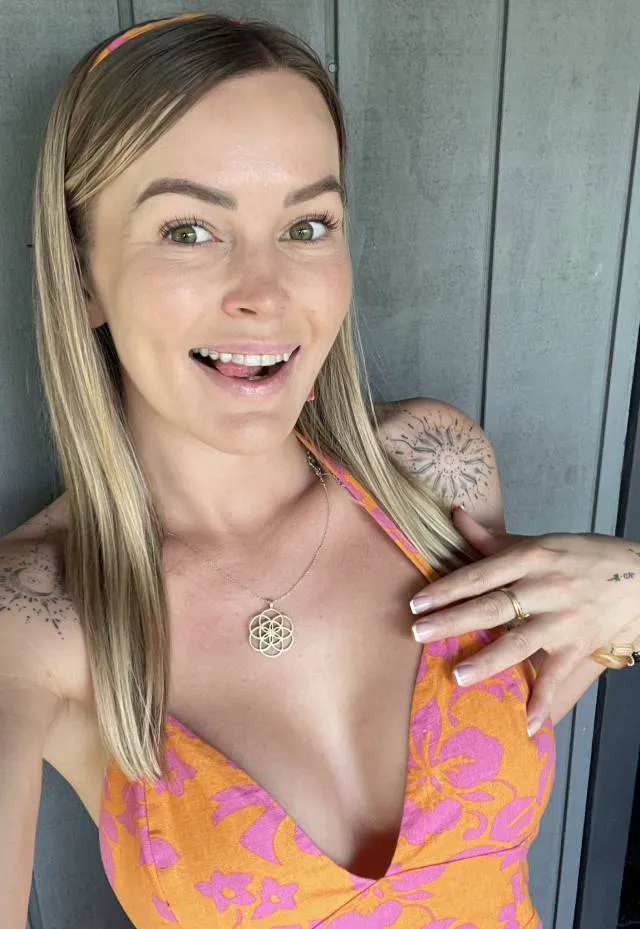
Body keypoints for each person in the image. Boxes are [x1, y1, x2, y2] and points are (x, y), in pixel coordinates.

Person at [0, 11, 635, 929]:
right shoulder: (35, 614)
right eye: (188, 230)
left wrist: (631, 592)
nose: (265, 292)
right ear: (83, 273)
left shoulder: (432, 474)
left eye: (307, 224)